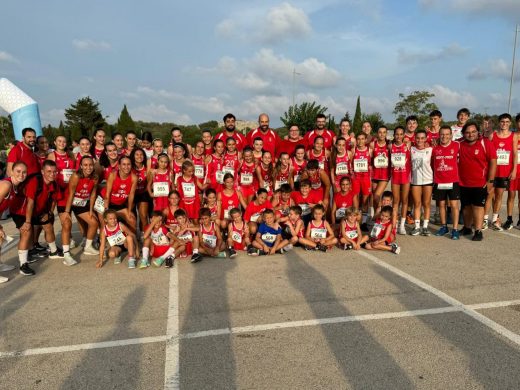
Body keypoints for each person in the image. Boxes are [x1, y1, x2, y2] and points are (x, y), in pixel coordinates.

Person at [10, 160, 62, 276]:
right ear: (42, 172)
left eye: (54, 172)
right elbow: (30, 203)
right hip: (21, 211)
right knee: (26, 232)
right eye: (49, 171)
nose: (52, 174)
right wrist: (28, 222)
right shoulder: (35, 181)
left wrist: (49, 213)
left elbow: (53, 199)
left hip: (37, 210)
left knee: (48, 226)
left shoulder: (54, 183)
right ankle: (23, 265)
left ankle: (53, 252)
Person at [458, 121, 497, 241]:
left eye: (473, 132)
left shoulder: (485, 143)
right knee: (465, 207)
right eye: (468, 132)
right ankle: (467, 227)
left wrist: (490, 181)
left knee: (478, 207)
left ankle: (478, 231)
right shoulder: (459, 143)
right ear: (463, 133)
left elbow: (493, 161)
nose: (471, 134)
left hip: (480, 183)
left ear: (477, 132)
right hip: (463, 182)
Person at [62, 156, 100, 264]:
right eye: (85, 165)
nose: (88, 167)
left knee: (94, 222)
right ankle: (67, 252)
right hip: (70, 202)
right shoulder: (76, 176)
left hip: (82, 203)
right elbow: (71, 193)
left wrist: (91, 210)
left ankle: (88, 247)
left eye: (91, 165)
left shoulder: (95, 177)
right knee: (67, 223)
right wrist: (67, 212)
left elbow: (93, 194)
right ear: (81, 166)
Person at [484, 113, 518, 231]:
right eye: (502, 122)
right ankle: (484, 219)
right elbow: (487, 152)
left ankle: (494, 220)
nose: (504, 124)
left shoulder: (513, 136)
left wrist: (514, 169)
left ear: (510, 123)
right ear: (499, 123)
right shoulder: (493, 135)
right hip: (493, 171)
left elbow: (514, 153)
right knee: (489, 195)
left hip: (505, 171)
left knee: (499, 196)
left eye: (507, 122)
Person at [432, 126, 461, 240]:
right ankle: (444, 227)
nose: (444, 136)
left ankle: (455, 229)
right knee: (441, 205)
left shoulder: (457, 145)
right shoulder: (434, 148)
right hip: (439, 181)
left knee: (454, 206)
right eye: (442, 134)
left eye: (447, 134)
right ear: (439, 135)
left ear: (451, 135)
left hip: (453, 181)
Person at [97, 156, 138, 233]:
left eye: (128, 164)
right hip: (104, 200)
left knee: (132, 219)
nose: (126, 167)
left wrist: (129, 211)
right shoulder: (113, 175)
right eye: (124, 164)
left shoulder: (134, 178)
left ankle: (132, 238)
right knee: (104, 222)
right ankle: (101, 240)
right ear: (119, 166)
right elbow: (107, 194)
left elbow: (131, 195)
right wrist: (107, 210)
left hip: (118, 203)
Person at [0, 162, 26, 282]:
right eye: (18, 171)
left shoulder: (16, 187)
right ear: (11, 172)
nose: (21, 174)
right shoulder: (6, 184)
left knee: (1, 239)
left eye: (24, 172)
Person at [410, 130, 433, 236]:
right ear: (415, 138)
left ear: (426, 138)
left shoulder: (430, 149)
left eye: (422, 138)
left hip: (428, 180)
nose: (420, 140)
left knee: (426, 204)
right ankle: (417, 226)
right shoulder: (411, 149)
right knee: (417, 204)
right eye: (418, 138)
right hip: (416, 181)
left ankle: (425, 227)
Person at [390, 126, 411, 235]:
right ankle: (395, 224)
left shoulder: (408, 146)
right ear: (394, 135)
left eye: (401, 134)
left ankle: (402, 225)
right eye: (397, 134)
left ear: (404, 135)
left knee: (405, 200)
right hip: (395, 177)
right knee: (396, 201)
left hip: (405, 177)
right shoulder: (391, 147)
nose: (399, 136)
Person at [351, 132, 372, 229]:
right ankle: (354, 221)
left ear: (366, 140)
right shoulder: (353, 150)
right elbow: (350, 162)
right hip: (356, 178)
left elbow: (372, 163)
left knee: (365, 201)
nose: (360, 141)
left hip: (366, 178)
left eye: (362, 139)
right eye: (358, 139)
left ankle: (363, 222)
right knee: (355, 200)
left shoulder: (369, 150)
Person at [371, 126, 391, 215]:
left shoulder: (389, 145)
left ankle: (383, 213)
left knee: (377, 195)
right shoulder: (373, 144)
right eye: (380, 132)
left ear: (386, 134)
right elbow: (369, 158)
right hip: (374, 174)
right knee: (374, 198)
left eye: (384, 132)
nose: (382, 134)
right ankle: (377, 216)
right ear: (377, 133)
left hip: (384, 175)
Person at [130, 148, 150, 235]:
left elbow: (150, 181)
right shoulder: (129, 167)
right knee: (132, 217)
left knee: (143, 216)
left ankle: (143, 234)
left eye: (141, 154)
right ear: (133, 156)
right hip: (131, 194)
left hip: (143, 193)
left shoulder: (146, 167)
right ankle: (133, 235)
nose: (139, 156)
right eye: (137, 154)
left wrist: (147, 189)